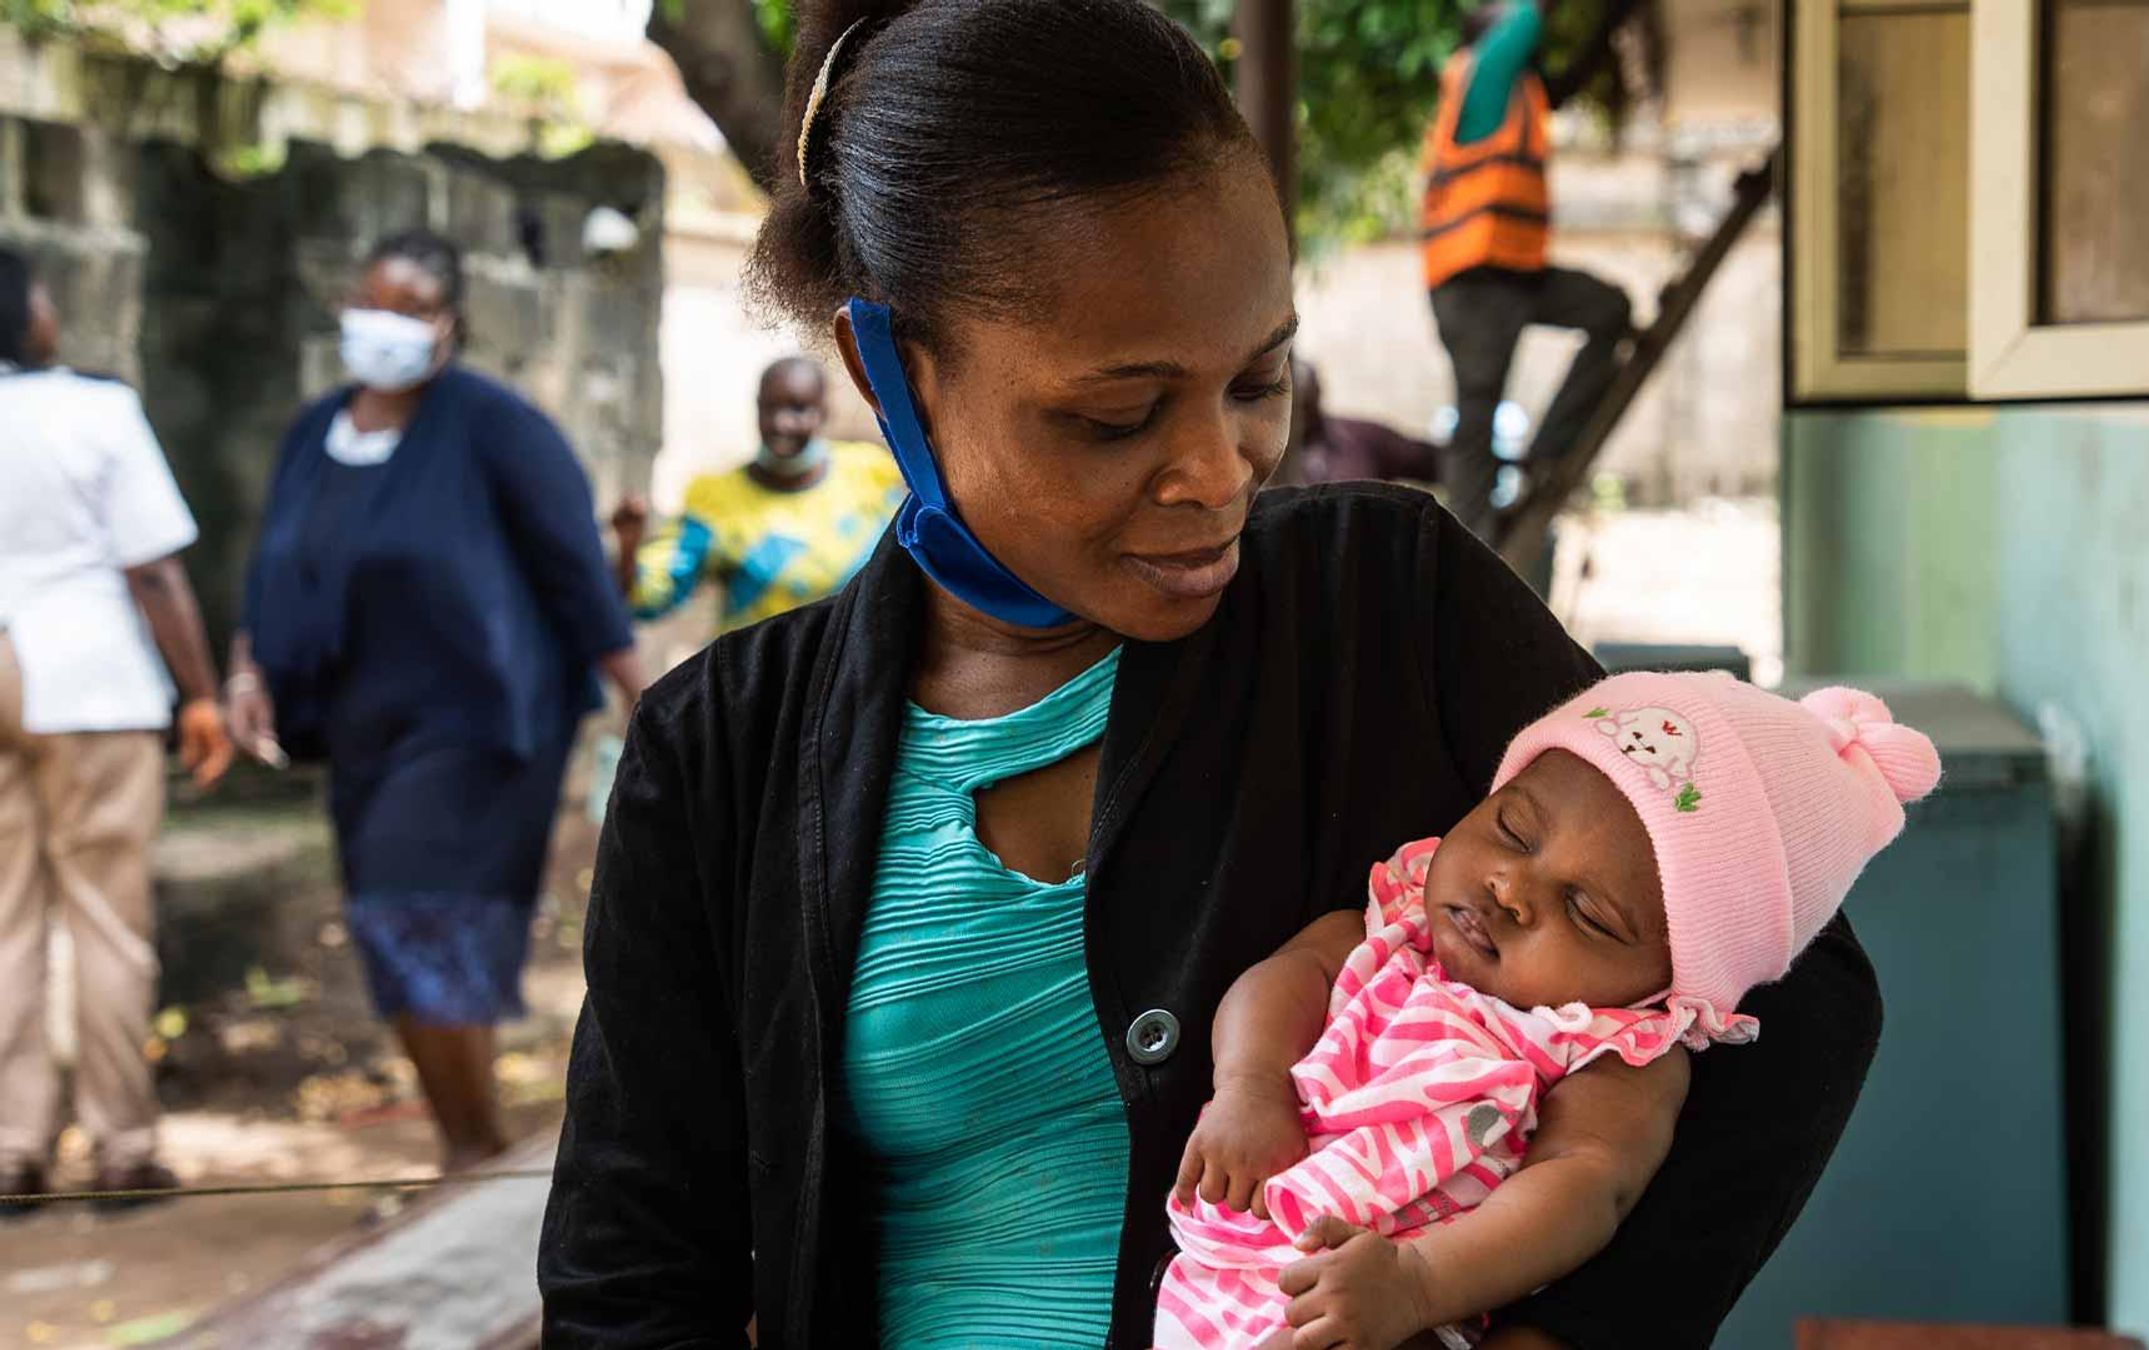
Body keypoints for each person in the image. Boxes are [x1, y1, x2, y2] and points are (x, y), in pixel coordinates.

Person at [539, 3, 1880, 1346]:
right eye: (1118, 416)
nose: (1220, 472)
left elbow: (1794, 991)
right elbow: (636, 1279)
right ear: (888, 369)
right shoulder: (722, 755)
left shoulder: (1388, 607)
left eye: (1258, 381)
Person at [1158, 675, 1940, 1348]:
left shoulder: (1609, 1048)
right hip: (1215, 1276)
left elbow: (1584, 1185)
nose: (1511, 887)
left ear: (1669, 982)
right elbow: (1281, 979)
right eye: (1513, 829)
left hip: (1391, 1315)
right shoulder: (1393, 927)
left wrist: (1420, 1284)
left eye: (1589, 913)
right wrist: (1250, 1088)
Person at [224, 230, 643, 1173]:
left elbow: (575, 572)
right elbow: (271, 572)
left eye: (412, 309)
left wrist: (642, 699)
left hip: (486, 722)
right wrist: (246, 673)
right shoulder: (314, 432)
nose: (387, 325)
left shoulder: (495, 427)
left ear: (450, 323)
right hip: (360, 728)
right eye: (375, 301)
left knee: (431, 915)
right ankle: (470, 1144)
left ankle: (473, 1151)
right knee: (385, 921)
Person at [0, 247, 233, 1208]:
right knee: (105, 920)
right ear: (29, 314)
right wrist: (203, 693)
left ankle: (10, 1147)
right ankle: (122, 1145)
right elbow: (153, 571)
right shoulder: (93, 410)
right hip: (89, 684)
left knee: (4, 923)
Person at [1423, 0, 1638, 542]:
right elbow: (1530, 15)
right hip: (1473, 279)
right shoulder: (1483, 69)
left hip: (1516, 274)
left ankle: (1545, 453)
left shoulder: (1522, 91)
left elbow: (1573, 75)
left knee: (1609, 309)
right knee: (1478, 417)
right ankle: (1476, 543)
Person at [609, 356, 904, 633]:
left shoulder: (871, 474)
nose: (781, 423)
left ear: (823, 412)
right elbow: (649, 599)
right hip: (759, 682)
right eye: (770, 408)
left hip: (860, 677)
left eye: (798, 408)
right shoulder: (716, 498)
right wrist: (628, 547)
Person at [1290, 359, 1439, 487]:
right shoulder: (1272, 461)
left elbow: (1439, 463)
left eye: (1305, 406)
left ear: (1318, 393)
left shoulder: (1360, 437)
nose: (1300, 417)